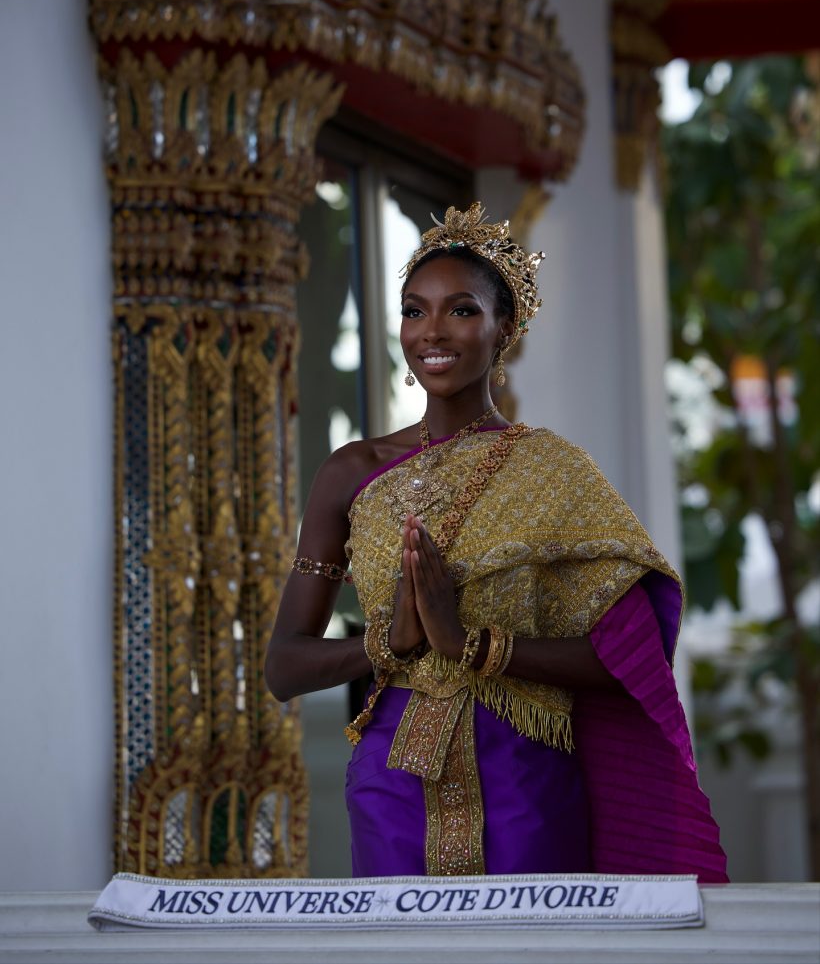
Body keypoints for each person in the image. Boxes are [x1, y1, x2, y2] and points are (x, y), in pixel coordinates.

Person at [266, 202, 728, 882]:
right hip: (390, 779)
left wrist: (472, 643)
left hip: (524, 775)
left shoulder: (554, 471)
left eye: (461, 310)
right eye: (413, 310)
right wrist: (385, 644)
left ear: (503, 327)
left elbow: (631, 658)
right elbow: (284, 666)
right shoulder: (351, 473)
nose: (431, 331)